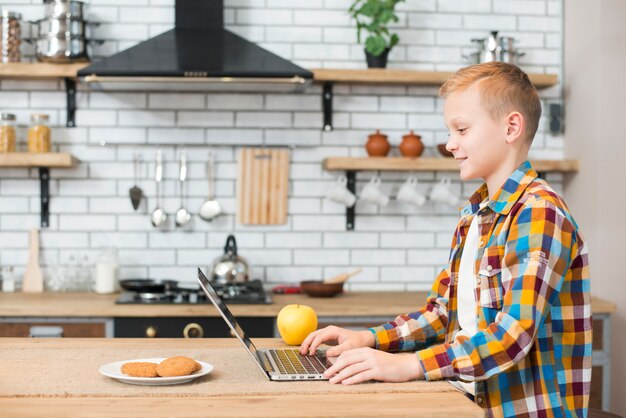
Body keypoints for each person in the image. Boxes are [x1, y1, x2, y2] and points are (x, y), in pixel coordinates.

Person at [301, 61, 592, 418]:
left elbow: (511, 335)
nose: (450, 144)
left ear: (511, 127)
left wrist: (408, 365)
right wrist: (370, 338)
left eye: (461, 129)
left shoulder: (539, 213)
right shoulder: (475, 215)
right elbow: (442, 314)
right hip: (465, 401)